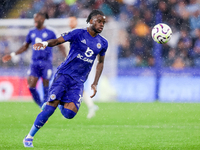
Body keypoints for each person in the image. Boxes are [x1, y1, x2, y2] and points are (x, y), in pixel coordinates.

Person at [23, 10, 107, 147]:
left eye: (103, 22)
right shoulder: (77, 33)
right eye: (99, 21)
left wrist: (95, 83)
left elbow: (101, 62)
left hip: (78, 81)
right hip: (64, 75)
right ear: (91, 21)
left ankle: (57, 102)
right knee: (50, 110)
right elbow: (57, 41)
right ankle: (29, 137)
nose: (102, 24)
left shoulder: (103, 43)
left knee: (69, 113)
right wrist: (44, 44)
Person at [2, 12, 67, 108]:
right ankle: (42, 105)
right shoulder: (31, 32)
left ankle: (45, 108)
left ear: (43, 19)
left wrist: (66, 58)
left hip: (46, 62)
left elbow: (60, 45)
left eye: (38, 18)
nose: (35, 20)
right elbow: (25, 46)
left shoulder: (51, 31)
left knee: (46, 87)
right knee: (31, 86)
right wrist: (13, 54)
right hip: (34, 63)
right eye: (35, 18)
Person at [67, 16, 99, 119]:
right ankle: (88, 106)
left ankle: (70, 109)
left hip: (79, 65)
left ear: (76, 21)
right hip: (72, 65)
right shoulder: (71, 33)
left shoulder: (80, 34)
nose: (70, 22)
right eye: (69, 20)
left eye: (72, 20)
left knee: (75, 87)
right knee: (74, 87)